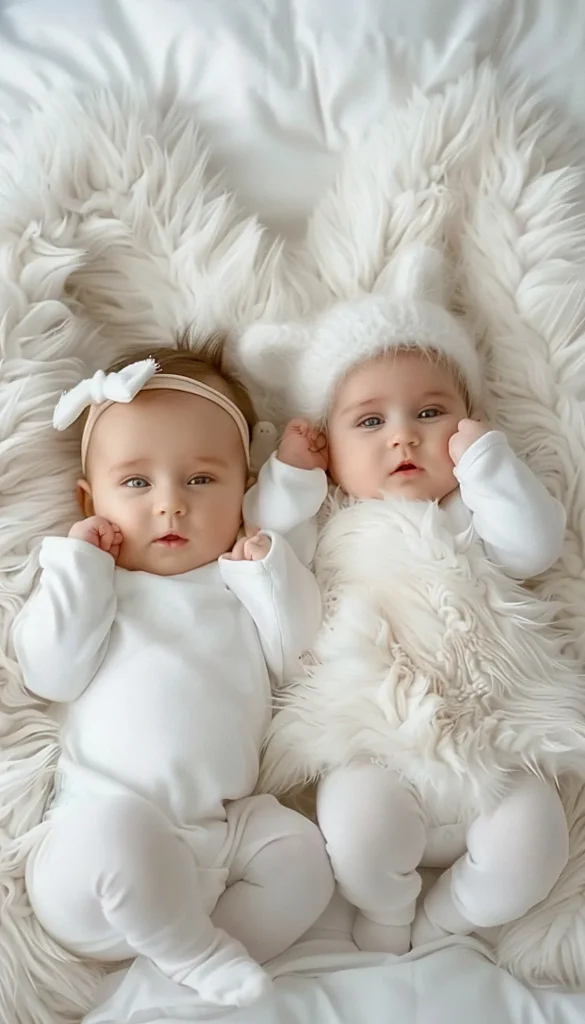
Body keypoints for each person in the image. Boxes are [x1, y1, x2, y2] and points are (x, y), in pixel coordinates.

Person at [241, 244, 585, 956]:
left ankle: (448, 918)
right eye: (368, 422)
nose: (402, 433)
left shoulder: (471, 509)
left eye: (430, 411)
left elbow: (534, 545)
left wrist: (489, 462)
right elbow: (269, 549)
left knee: (535, 844)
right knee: (355, 824)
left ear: (467, 420)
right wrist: (291, 477)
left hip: (497, 746)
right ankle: (389, 909)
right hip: (378, 745)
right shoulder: (332, 519)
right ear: (328, 450)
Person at [13, 341, 334, 1007]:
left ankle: (173, 977)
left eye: (200, 480)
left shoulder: (236, 582)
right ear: (89, 498)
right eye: (136, 482)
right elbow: (49, 673)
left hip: (218, 841)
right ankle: (197, 955)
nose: (170, 505)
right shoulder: (104, 589)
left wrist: (265, 569)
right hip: (94, 843)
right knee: (119, 835)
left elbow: (297, 655)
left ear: (244, 492)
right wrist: (80, 568)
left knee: (303, 858)